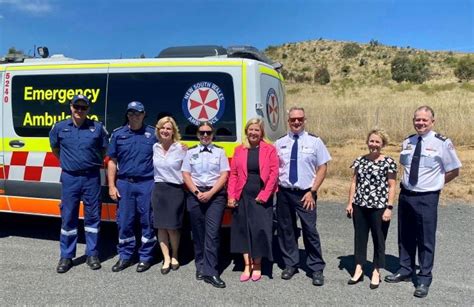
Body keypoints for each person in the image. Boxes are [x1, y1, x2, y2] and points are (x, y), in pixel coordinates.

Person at [384, 106, 461, 298]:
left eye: (425, 120)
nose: (420, 123)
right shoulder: (408, 141)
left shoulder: (442, 143)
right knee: (405, 235)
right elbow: (405, 166)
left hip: (427, 197)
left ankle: (425, 277)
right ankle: (405, 269)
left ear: (432, 122)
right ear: (413, 121)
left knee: (426, 239)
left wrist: (436, 184)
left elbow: (454, 170)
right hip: (407, 194)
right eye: (417, 119)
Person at [49, 95, 108, 273]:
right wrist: (70, 163)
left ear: (88, 110)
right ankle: (66, 257)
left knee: (93, 218)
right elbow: (55, 148)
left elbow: (104, 149)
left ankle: (92, 254)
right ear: (71, 107)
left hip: (91, 177)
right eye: (77, 107)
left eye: (83, 108)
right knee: (68, 217)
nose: (79, 111)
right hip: (70, 178)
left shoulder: (97, 128)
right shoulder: (59, 127)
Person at [274, 106, 331, 286]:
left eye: (300, 119)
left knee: (310, 230)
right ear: (288, 121)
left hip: (306, 194)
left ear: (304, 120)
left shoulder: (315, 141)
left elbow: (322, 167)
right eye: (293, 120)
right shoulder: (280, 142)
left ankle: (316, 268)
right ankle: (290, 264)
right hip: (284, 192)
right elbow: (275, 168)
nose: (296, 122)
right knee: (286, 229)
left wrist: (312, 191)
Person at [107, 101, 157, 273]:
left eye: (138, 113)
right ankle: (125, 256)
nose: (134, 116)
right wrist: (111, 186)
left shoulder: (153, 134)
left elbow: (167, 151)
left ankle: (145, 257)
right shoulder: (118, 134)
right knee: (124, 221)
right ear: (127, 115)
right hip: (125, 183)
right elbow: (112, 162)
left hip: (146, 183)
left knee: (147, 221)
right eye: (131, 113)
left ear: (144, 115)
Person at [227, 118, 279, 282]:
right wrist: (231, 196)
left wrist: (264, 195)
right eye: (251, 129)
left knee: (259, 231)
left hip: (261, 197)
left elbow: (273, 174)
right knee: (243, 231)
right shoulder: (239, 150)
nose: (253, 133)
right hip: (242, 196)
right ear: (246, 131)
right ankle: (247, 265)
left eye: (256, 130)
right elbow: (233, 174)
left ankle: (257, 264)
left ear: (261, 132)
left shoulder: (269, 149)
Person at [345, 129, 397, 289]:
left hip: (379, 207)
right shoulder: (360, 160)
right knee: (360, 238)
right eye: (371, 141)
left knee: (378, 238)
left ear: (382, 144)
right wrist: (350, 203)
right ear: (368, 142)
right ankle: (359, 268)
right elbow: (354, 182)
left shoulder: (389, 162)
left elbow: (392, 186)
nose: (374, 145)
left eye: (377, 142)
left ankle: (376, 270)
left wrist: (389, 207)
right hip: (360, 205)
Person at [182, 122, 230, 288]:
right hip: (195, 195)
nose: (205, 136)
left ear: (212, 134)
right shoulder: (190, 152)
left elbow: (224, 175)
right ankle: (200, 265)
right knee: (198, 232)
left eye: (208, 132)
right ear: (197, 134)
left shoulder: (220, 152)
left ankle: (211, 271)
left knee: (212, 233)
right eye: (202, 133)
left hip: (215, 196)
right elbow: (186, 174)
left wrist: (210, 193)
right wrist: (196, 192)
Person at [152, 116, 187, 275]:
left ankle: (175, 255)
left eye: (168, 128)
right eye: (162, 128)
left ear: (173, 131)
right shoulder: (155, 147)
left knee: (172, 227)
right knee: (160, 227)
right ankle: (165, 258)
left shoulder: (181, 148)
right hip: (159, 189)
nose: (165, 131)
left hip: (175, 190)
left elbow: (187, 170)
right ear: (158, 131)